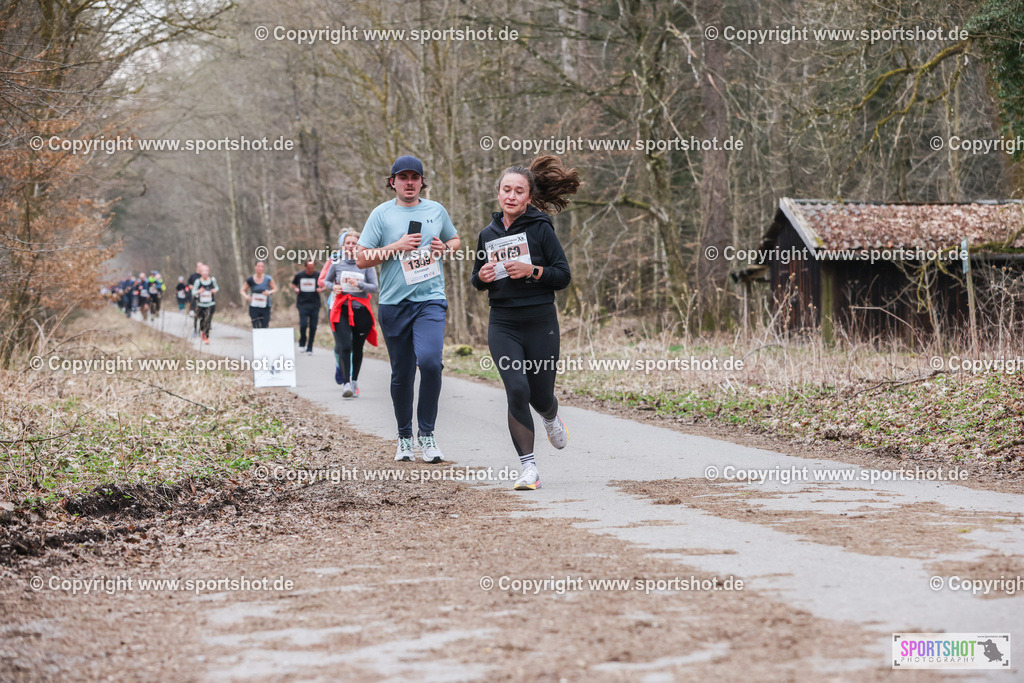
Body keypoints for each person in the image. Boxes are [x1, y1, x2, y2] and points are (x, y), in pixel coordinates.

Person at [471, 155, 577, 491]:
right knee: (516, 389)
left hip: (539, 319)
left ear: (529, 197)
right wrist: (482, 277)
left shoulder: (541, 227)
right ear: (498, 193)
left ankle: (550, 414)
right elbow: (476, 277)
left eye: (519, 191)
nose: (512, 196)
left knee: (540, 394)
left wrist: (532, 271)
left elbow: (563, 276)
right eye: (506, 190)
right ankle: (528, 468)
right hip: (502, 321)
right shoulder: (487, 233)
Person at [355, 155, 460, 463]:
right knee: (402, 373)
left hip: (430, 300)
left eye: (415, 177)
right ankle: (404, 438)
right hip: (393, 303)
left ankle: (427, 435)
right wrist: (396, 247)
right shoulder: (381, 214)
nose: (409, 182)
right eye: (403, 177)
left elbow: (454, 240)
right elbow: (361, 259)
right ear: (393, 182)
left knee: (429, 362)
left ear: (422, 181)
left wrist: (446, 248)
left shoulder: (436, 210)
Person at [324, 230, 379, 397]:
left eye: (354, 243)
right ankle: (346, 383)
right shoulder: (336, 262)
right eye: (347, 243)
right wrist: (333, 287)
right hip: (341, 309)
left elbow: (375, 287)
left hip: (360, 310)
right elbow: (326, 280)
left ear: (359, 245)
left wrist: (360, 284)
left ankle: (354, 380)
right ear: (343, 245)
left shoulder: (366, 263)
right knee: (344, 346)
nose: (350, 246)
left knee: (357, 347)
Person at [292, 260, 325, 354]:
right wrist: (296, 289)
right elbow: (294, 284)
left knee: (313, 326)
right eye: (309, 268)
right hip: (302, 304)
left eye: (313, 268)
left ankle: (310, 346)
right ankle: (302, 342)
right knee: (303, 325)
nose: (311, 270)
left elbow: (325, 285)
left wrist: (321, 289)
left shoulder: (318, 275)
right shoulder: (299, 275)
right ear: (305, 267)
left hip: (315, 304)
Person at [242, 260, 277, 329]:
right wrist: (246, 297)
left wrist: (269, 292)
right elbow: (242, 290)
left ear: (264, 268)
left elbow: (275, 288)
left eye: (262, 266)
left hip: (265, 307)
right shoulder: (250, 279)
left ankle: (264, 339)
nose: (260, 268)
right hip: (254, 307)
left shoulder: (268, 279)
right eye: (258, 266)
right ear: (255, 267)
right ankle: (257, 339)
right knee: (256, 326)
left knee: (265, 326)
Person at [191, 264, 219, 344]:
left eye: (206, 271)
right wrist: (198, 291)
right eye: (203, 271)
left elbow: (217, 287)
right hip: (201, 304)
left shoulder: (212, 280)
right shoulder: (198, 281)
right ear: (201, 272)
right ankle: (202, 330)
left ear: (208, 272)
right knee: (203, 319)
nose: (205, 273)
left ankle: (206, 336)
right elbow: (193, 292)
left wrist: (215, 290)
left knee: (208, 319)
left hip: (211, 303)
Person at [187, 262, 203, 335]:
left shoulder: (204, 276)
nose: (201, 268)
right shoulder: (193, 276)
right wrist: (192, 287)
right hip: (195, 297)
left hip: (203, 297)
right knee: (196, 314)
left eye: (202, 267)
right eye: (199, 267)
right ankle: (195, 330)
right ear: (197, 267)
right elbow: (188, 284)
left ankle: (201, 329)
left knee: (202, 315)